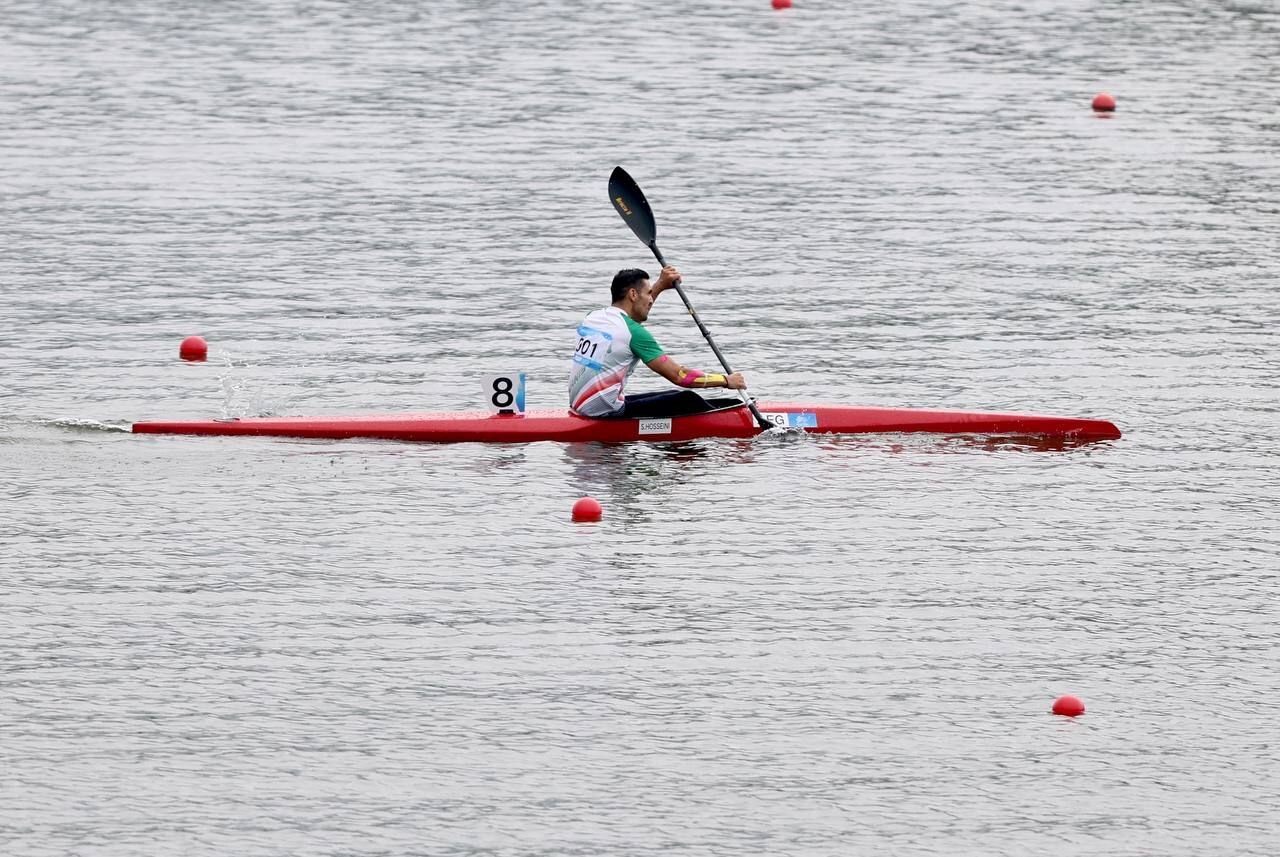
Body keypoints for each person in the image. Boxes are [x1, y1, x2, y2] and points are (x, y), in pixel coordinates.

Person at [569, 266, 747, 419]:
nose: (651, 299)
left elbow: (631, 318)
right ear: (633, 294)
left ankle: (729, 408)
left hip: (581, 405)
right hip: (604, 412)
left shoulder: (593, 317)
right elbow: (679, 376)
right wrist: (725, 380)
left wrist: (660, 285)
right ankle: (733, 419)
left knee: (673, 396)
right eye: (648, 293)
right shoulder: (634, 332)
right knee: (687, 399)